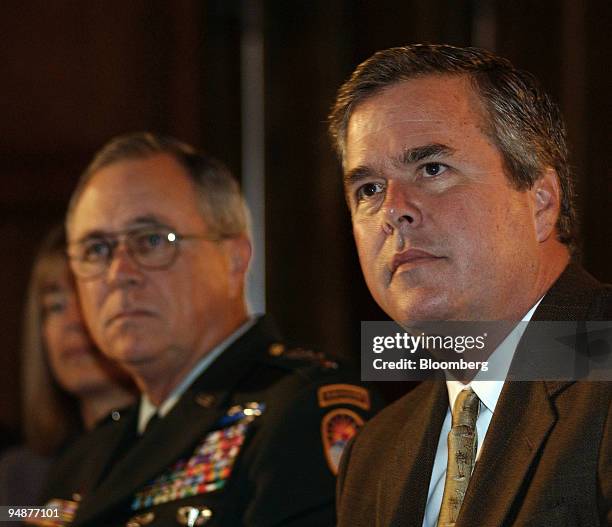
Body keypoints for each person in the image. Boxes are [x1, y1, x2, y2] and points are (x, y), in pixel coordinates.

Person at [328, 44, 611, 526]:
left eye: (432, 169)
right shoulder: (371, 455)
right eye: (369, 189)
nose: (395, 210)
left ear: (540, 202)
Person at [37, 133, 380, 527]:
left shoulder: (298, 412)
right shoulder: (87, 455)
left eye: (150, 241)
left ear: (234, 259)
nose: (118, 274)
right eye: (96, 249)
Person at [0, 225, 135, 505]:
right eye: (55, 306)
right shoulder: (20, 477)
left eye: (87, 299)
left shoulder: (172, 451)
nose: (72, 322)